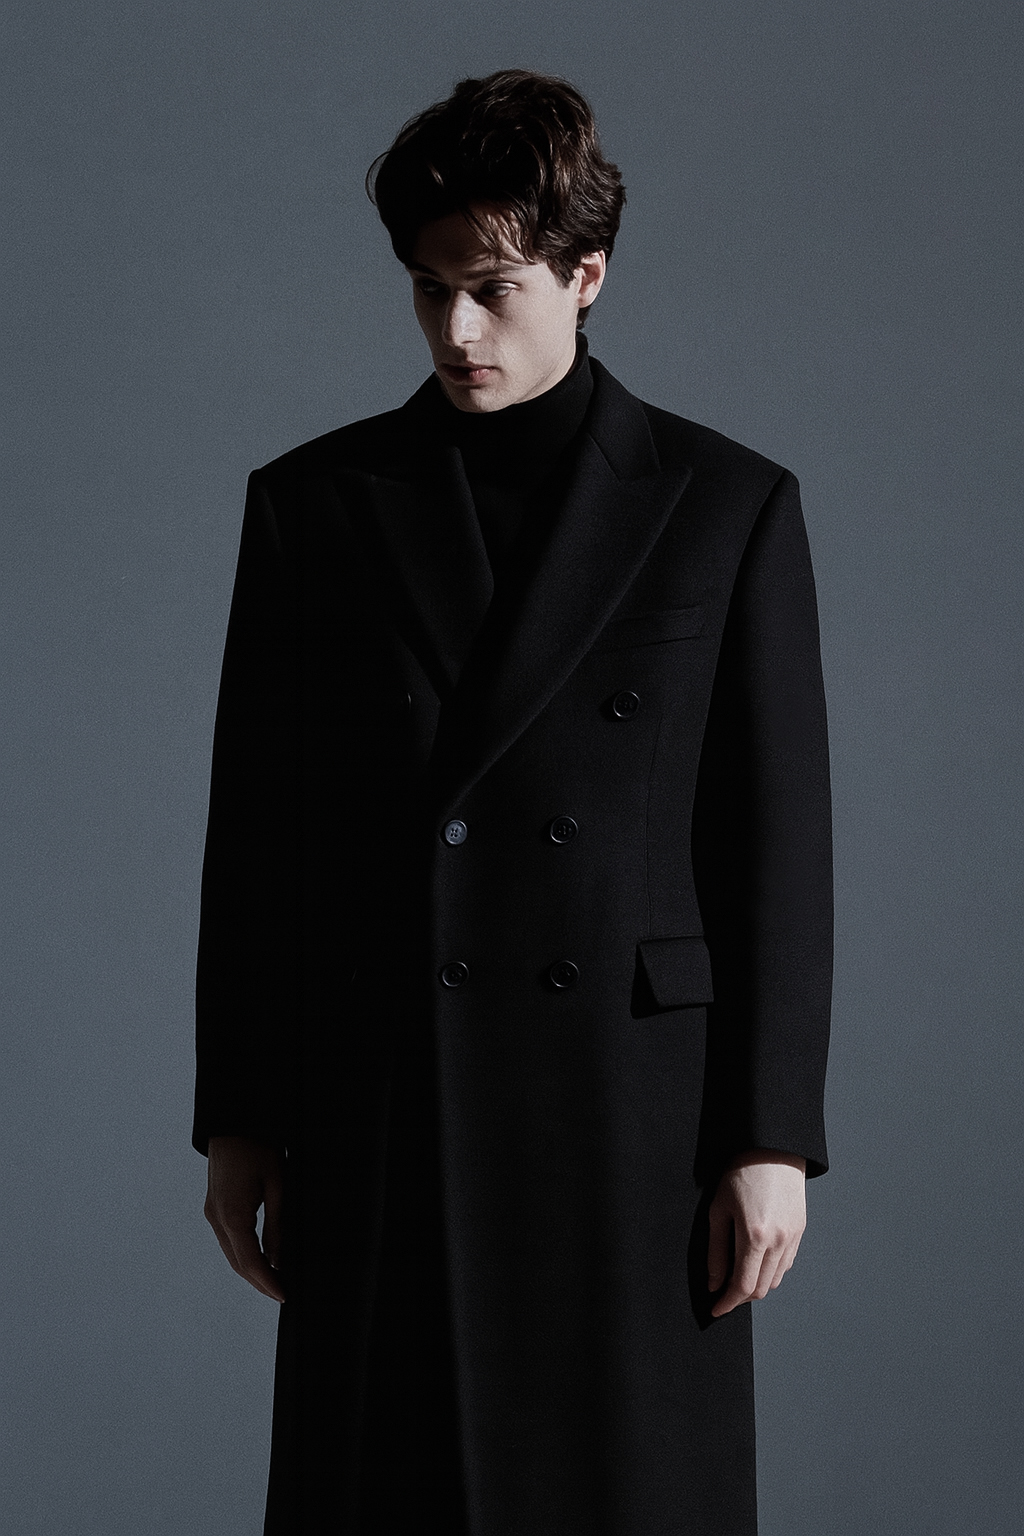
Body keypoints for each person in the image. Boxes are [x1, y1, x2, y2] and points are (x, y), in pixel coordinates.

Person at [195, 68, 832, 1536]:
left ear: (586, 274)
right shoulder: (316, 504)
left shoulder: (724, 504)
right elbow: (260, 840)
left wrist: (770, 1137)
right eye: (429, 292)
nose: (457, 333)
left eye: (492, 289)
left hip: (630, 1113)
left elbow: (776, 845)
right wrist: (240, 1114)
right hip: (386, 1093)